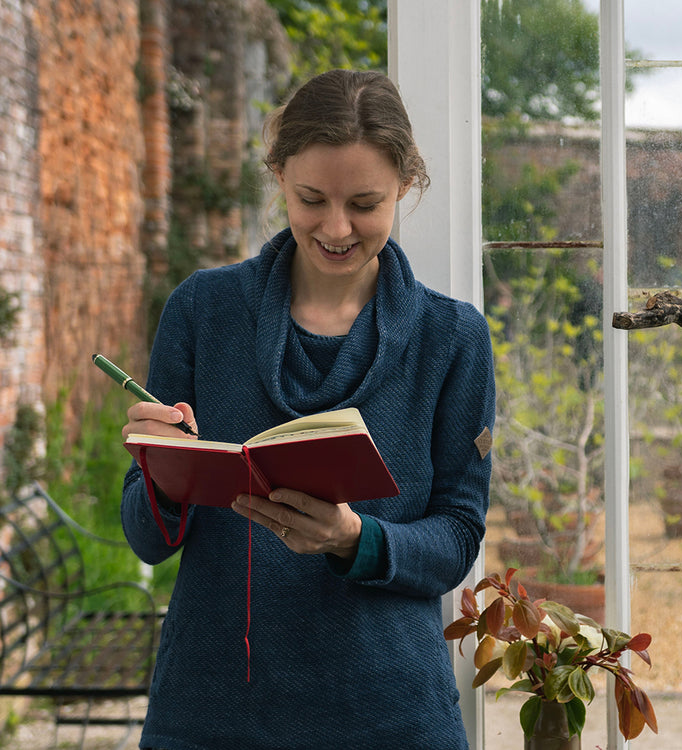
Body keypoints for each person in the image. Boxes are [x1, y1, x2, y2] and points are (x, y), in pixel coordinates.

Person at [119, 69, 494, 749]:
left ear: (406, 185)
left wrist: (357, 541)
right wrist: (161, 472)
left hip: (392, 715)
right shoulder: (202, 312)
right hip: (213, 711)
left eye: (365, 203)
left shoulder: (453, 337)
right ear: (278, 175)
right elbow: (146, 537)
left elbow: (457, 542)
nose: (337, 227)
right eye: (311, 198)